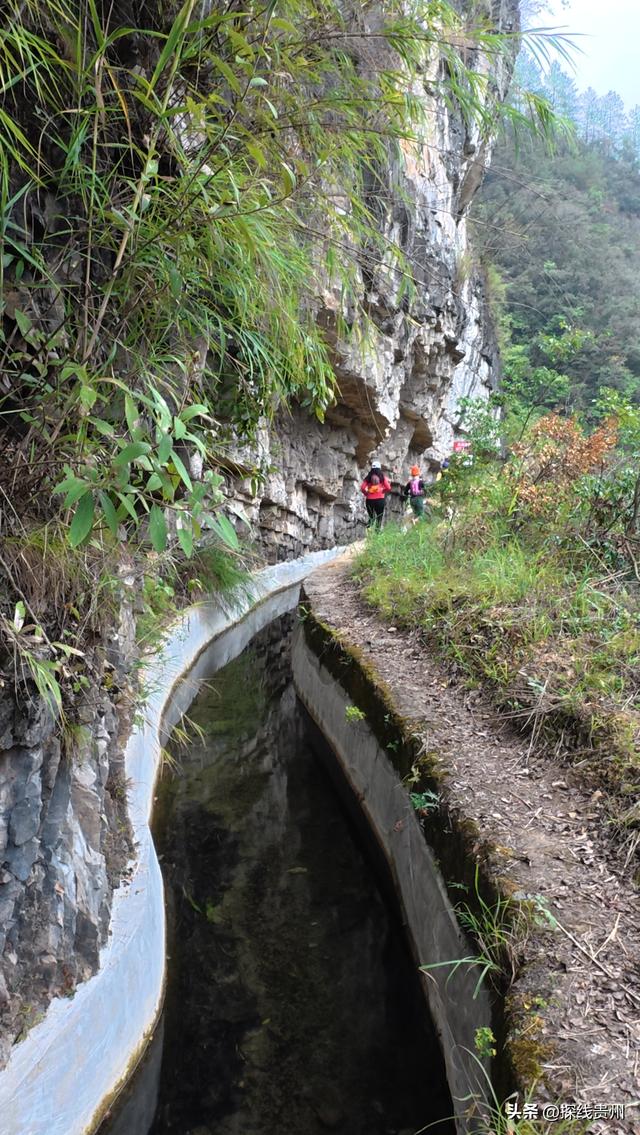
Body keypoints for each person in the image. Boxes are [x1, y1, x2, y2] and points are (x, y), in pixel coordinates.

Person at [360, 460, 391, 530]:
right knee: (379, 517)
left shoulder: (368, 477)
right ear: (379, 468)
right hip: (380, 500)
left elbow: (362, 487)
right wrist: (383, 491)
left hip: (369, 500)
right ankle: (377, 532)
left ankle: (368, 530)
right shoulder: (382, 477)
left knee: (371, 517)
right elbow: (388, 488)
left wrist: (366, 493)